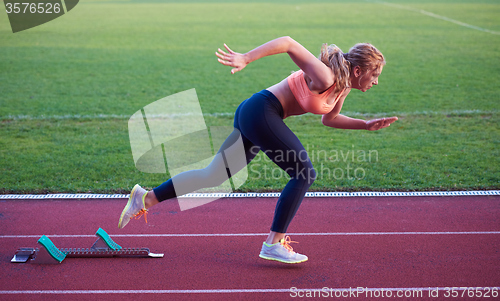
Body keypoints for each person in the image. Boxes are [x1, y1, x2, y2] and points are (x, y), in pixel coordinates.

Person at [118, 36, 398, 264]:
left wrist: (365, 125)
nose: (376, 82)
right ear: (359, 71)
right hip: (263, 111)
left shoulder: (342, 87)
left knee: (213, 176)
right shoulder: (326, 77)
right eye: (375, 75)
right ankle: (274, 243)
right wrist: (245, 58)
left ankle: (146, 198)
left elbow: (330, 119)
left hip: (255, 113)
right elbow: (288, 43)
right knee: (304, 173)